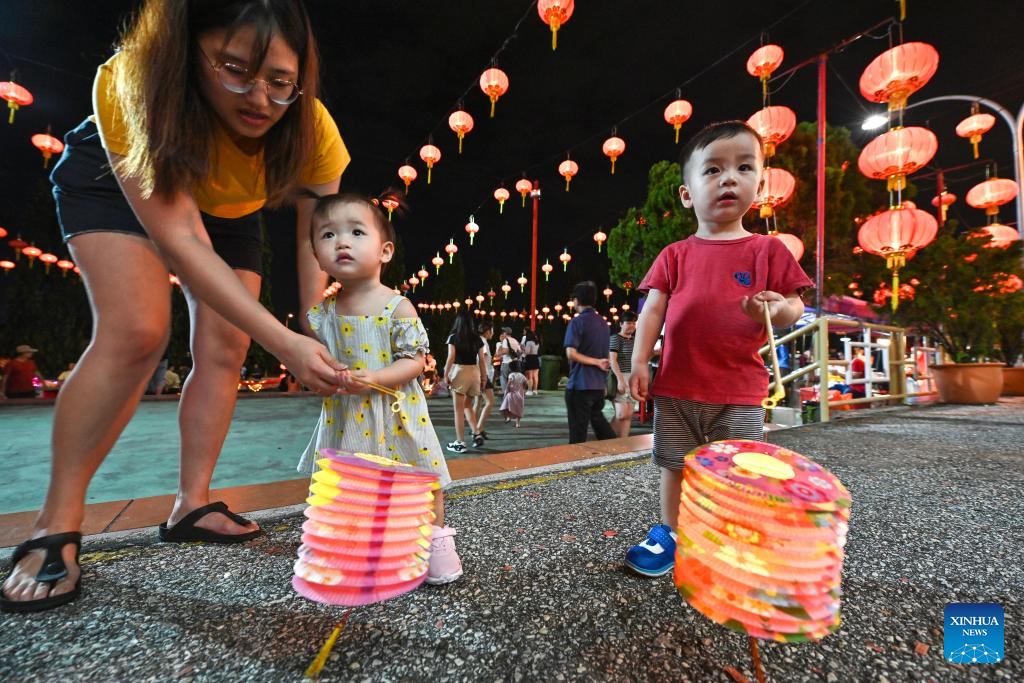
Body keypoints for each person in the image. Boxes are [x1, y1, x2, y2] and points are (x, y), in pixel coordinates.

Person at [2, 0, 351, 613]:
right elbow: (182, 238)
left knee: (226, 346)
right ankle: (53, 524)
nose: (260, 99)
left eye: (279, 82)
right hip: (121, 177)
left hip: (230, 209)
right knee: (137, 330)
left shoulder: (311, 125)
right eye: (233, 68)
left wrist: (316, 324)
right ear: (190, 49)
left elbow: (313, 233)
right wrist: (287, 343)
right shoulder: (129, 81)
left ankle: (192, 504)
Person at [626, 121, 812, 578]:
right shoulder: (675, 254)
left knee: (738, 468)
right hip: (677, 386)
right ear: (687, 193)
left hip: (739, 388)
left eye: (743, 167)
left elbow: (795, 305)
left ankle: (729, 532)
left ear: (759, 183)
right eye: (712, 170)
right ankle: (669, 532)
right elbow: (653, 312)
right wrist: (638, 360)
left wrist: (778, 309)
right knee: (673, 463)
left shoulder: (768, 251)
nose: (729, 178)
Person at [298, 192, 462, 585]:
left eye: (356, 232)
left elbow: (415, 360)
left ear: (385, 251)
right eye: (327, 235)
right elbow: (317, 360)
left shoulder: (397, 306)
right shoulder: (323, 314)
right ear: (316, 255)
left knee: (424, 478)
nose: (341, 242)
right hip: (346, 416)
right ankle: (350, 550)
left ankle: (434, 544)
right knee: (349, 485)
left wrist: (374, 377)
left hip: (397, 412)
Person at [563, 281, 617, 444]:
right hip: (597, 385)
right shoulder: (603, 323)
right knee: (600, 424)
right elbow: (605, 353)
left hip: (579, 384)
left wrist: (595, 362)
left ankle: (576, 463)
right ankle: (614, 450)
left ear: (577, 300)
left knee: (578, 433)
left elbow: (571, 353)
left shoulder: (577, 322)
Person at [442, 310, 487, 454]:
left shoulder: (454, 337)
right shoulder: (477, 339)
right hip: (475, 373)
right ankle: (476, 433)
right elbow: (482, 360)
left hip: (460, 371)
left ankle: (460, 442)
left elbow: (451, 356)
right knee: (468, 405)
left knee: (458, 410)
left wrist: (446, 373)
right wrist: (484, 378)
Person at [609, 311, 637, 438]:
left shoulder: (635, 340)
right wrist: (620, 380)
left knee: (628, 415)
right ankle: (606, 436)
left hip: (633, 378)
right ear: (621, 324)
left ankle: (623, 442)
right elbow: (612, 360)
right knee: (621, 414)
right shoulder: (615, 338)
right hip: (620, 376)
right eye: (628, 323)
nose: (631, 325)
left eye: (633, 323)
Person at [468, 321, 496, 446]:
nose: (493, 333)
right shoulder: (483, 342)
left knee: (478, 402)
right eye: (492, 330)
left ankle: (475, 428)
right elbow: (481, 359)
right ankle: (477, 429)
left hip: (477, 374)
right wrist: (484, 377)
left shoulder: (478, 340)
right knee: (490, 402)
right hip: (482, 375)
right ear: (487, 331)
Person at [500, 363, 528, 427]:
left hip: (511, 394)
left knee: (507, 406)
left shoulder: (511, 375)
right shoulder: (522, 376)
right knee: (519, 408)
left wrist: (506, 391)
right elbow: (525, 384)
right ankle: (518, 423)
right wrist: (524, 390)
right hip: (520, 395)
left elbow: (508, 384)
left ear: (510, 368)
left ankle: (508, 417)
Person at [494, 326, 521, 395]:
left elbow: (505, 351)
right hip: (514, 363)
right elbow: (520, 351)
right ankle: (512, 394)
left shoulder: (506, 340)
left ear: (505, 333)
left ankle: (506, 393)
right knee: (512, 380)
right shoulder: (515, 340)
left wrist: (498, 353)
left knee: (503, 378)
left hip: (506, 363)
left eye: (503, 332)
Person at [520, 329, 541, 395]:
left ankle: (529, 390)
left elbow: (527, 352)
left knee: (530, 376)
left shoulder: (529, 342)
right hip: (536, 358)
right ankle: (535, 390)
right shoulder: (537, 343)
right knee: (536, 376)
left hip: (530, 358)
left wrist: (522, 348)